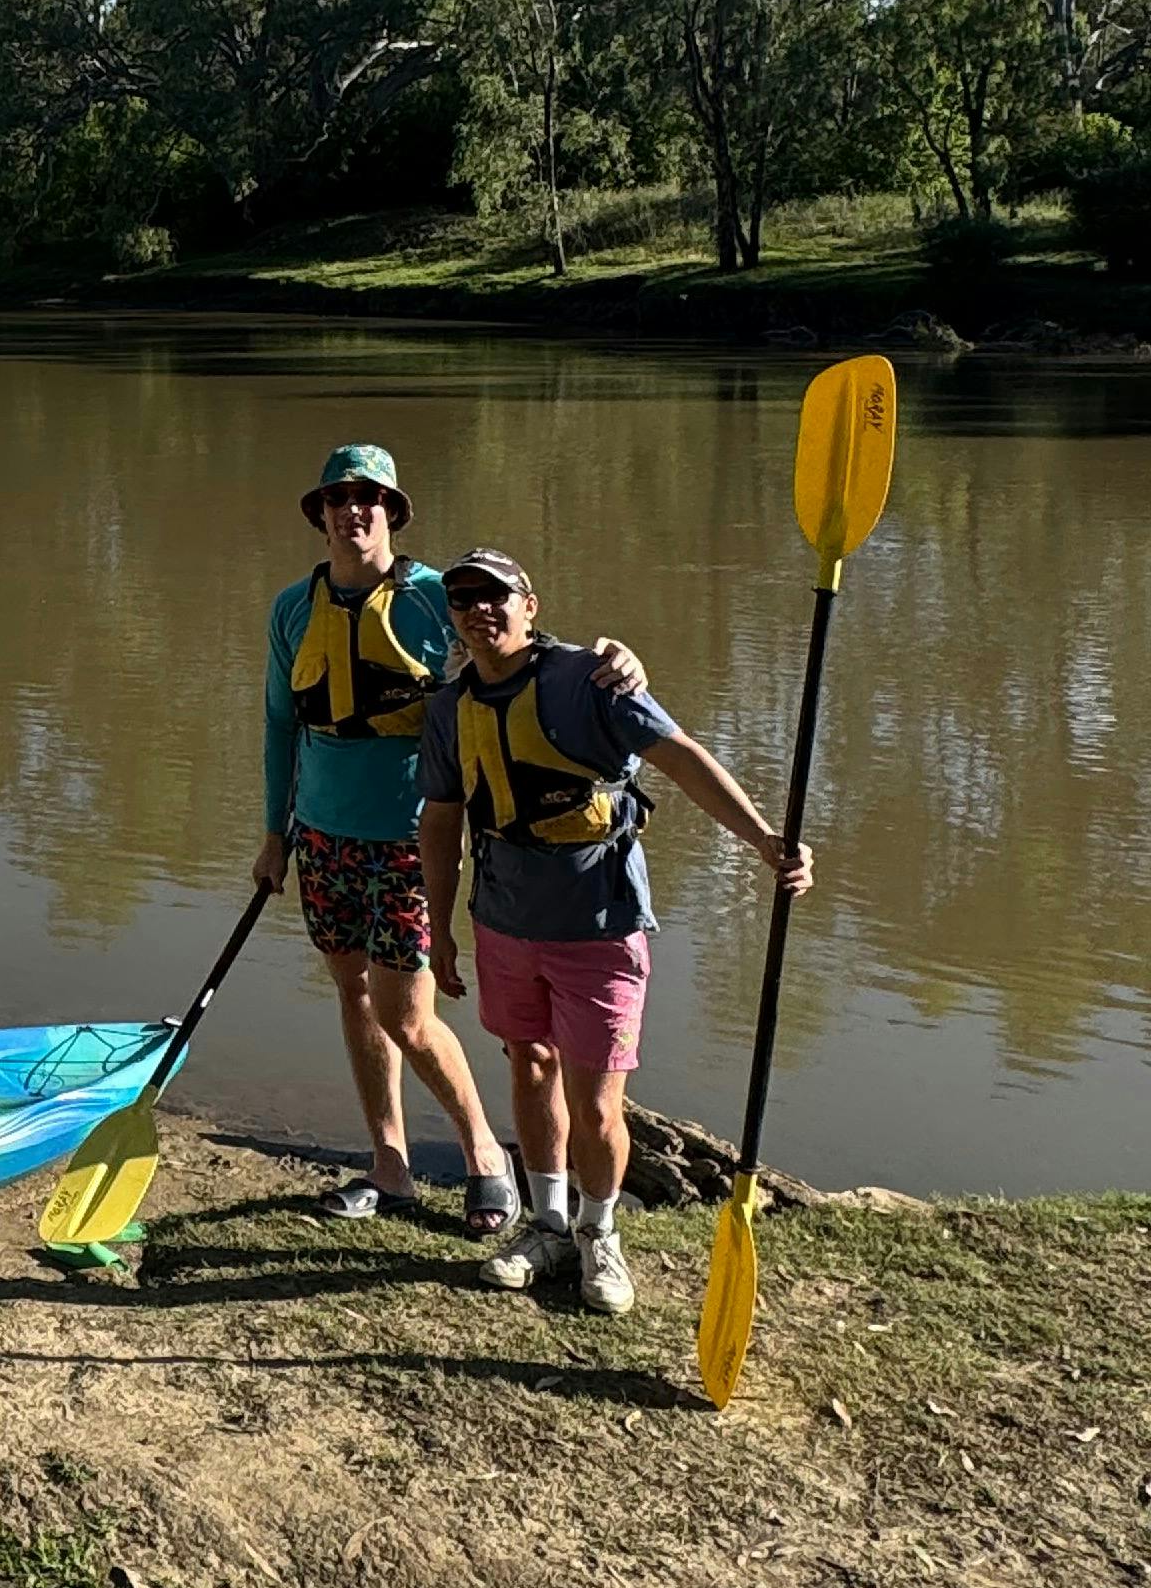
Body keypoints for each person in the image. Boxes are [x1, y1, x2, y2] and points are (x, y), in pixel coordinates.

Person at [259, 444, 652, 1234]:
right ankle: (390, 1166)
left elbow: (525, 654)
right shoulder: (291, 608)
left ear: (392, 512)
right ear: (321, 515)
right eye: (338, 498)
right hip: (324, 835)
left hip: (409, 839)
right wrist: (275, 833)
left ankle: (484, 1156)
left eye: (369, 497)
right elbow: (278, 722)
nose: (353, 510)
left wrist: (616, 659)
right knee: (352, 992)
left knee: (406, 1013)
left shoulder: (440, 596)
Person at [418, 543, 811, 1319]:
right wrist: (441, 928)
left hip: (599, 926)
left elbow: (681, 757)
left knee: (597, 1102)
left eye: (495, 595)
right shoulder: (448, 707)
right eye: (462, 598)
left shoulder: (592, 679)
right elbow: (441, 821)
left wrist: (766, 841)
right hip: (502, 921)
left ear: (530, 606)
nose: (479, 609)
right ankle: (548, 1226)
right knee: (530, 1066)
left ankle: (599, 1233)